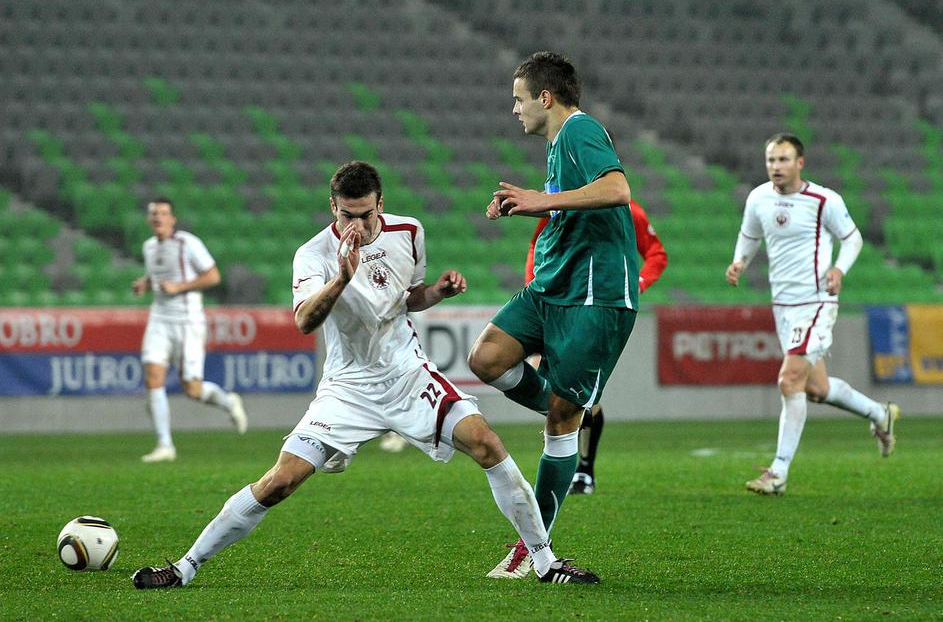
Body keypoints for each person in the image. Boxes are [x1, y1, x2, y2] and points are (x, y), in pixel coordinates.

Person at [131, 161, 600, 588]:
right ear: (332, 207)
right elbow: (304, 321)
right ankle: (185, 567)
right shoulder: (313, 254)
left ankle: (545, 562)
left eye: (366, 215)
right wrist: (341, 277)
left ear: (381, 204)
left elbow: (406, 298)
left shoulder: (409, 231)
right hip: (347, 388)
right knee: (279, 482)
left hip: (408, 375)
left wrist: (437, 292)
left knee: (487, 443)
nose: (356, 225)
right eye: (346, 215)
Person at [466, 51, 639, 580]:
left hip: (594, 295)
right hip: (552, 285)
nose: (514, 108)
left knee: (561, 423)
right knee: (486, 359)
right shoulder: (558, 145)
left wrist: (542, 201)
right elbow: (570, 203)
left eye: (519, 98)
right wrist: (531, 203)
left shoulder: (581, 130)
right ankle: (565, 406)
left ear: (545, 97)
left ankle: (531, 548)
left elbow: (618, 190)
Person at [725, 133, 900, 496]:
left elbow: (852, 238)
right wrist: (740, 261)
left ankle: (778, 472)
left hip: (817, 302)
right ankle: (879, 413)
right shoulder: (758, 198)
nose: (776, 166)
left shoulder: (824, 200)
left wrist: (838, 270)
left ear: (800, 163)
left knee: (789, 381)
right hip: (783, 305)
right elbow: (750, 235)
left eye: (783, 159)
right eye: (771, 160)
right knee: (816, 389)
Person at [524, 199, 667, 495]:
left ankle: (584, 470)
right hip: (557, 305)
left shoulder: (628, 210)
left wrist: (637, 282)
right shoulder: (560, 204)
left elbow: (656, 253)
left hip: (597, 310)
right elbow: (537, 244)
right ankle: (567, 463)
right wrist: (534, 287)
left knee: (582, 393)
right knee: (555, 390)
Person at [132, 198, 247, 463]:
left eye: (163, 213)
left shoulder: (188, 243)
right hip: (159, 319)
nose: (158, 218)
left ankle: (229, 402)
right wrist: (145, 284)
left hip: (188, 322)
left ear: (172, 219)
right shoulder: (149, 247)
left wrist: (179, 287)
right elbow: (157, 275)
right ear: (149, 219)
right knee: (153, 377)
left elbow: (213, 276)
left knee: (192, 390)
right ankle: (165, 445)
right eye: (154, 214)